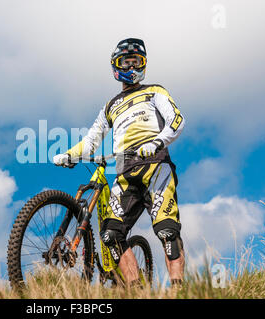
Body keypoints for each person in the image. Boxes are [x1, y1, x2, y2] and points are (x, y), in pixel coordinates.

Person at [53, 38, 185, 287]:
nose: (132, 67)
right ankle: (135, 290)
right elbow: (90, 142)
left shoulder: (155, 91)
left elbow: (176, 120)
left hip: (156, 167)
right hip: (124, 174)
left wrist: (157, 142)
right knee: (110, 235)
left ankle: (180, 290)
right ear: (117, 66)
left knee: (167, 232)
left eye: (137, 62)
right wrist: (69, 154)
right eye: (127, 61)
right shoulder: (110, 106)